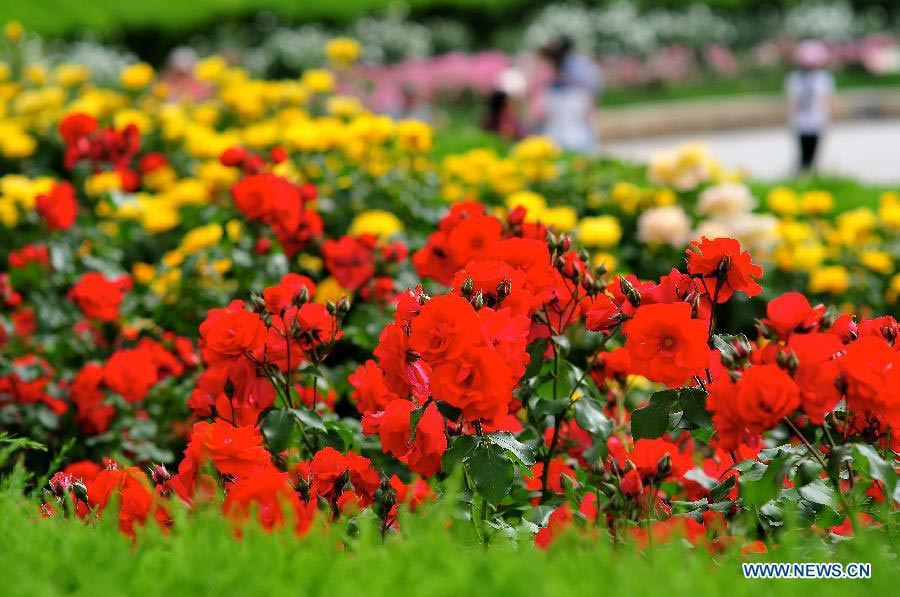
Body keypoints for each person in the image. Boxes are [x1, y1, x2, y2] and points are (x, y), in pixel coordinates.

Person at [533, 38, 602, 154]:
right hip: (577, 135)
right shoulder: (582, 70)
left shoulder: (549, 84)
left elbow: (539, 114)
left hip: (560, 136)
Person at [785, 40, 834, 173]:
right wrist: (791, 120)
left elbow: (826, 102)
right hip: (801, 122)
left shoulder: (823, 78)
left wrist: (828, 120)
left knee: (814, 156)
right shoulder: (794, 79)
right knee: (803, 155)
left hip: (817, 121)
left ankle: (809, 178)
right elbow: (792, 102)